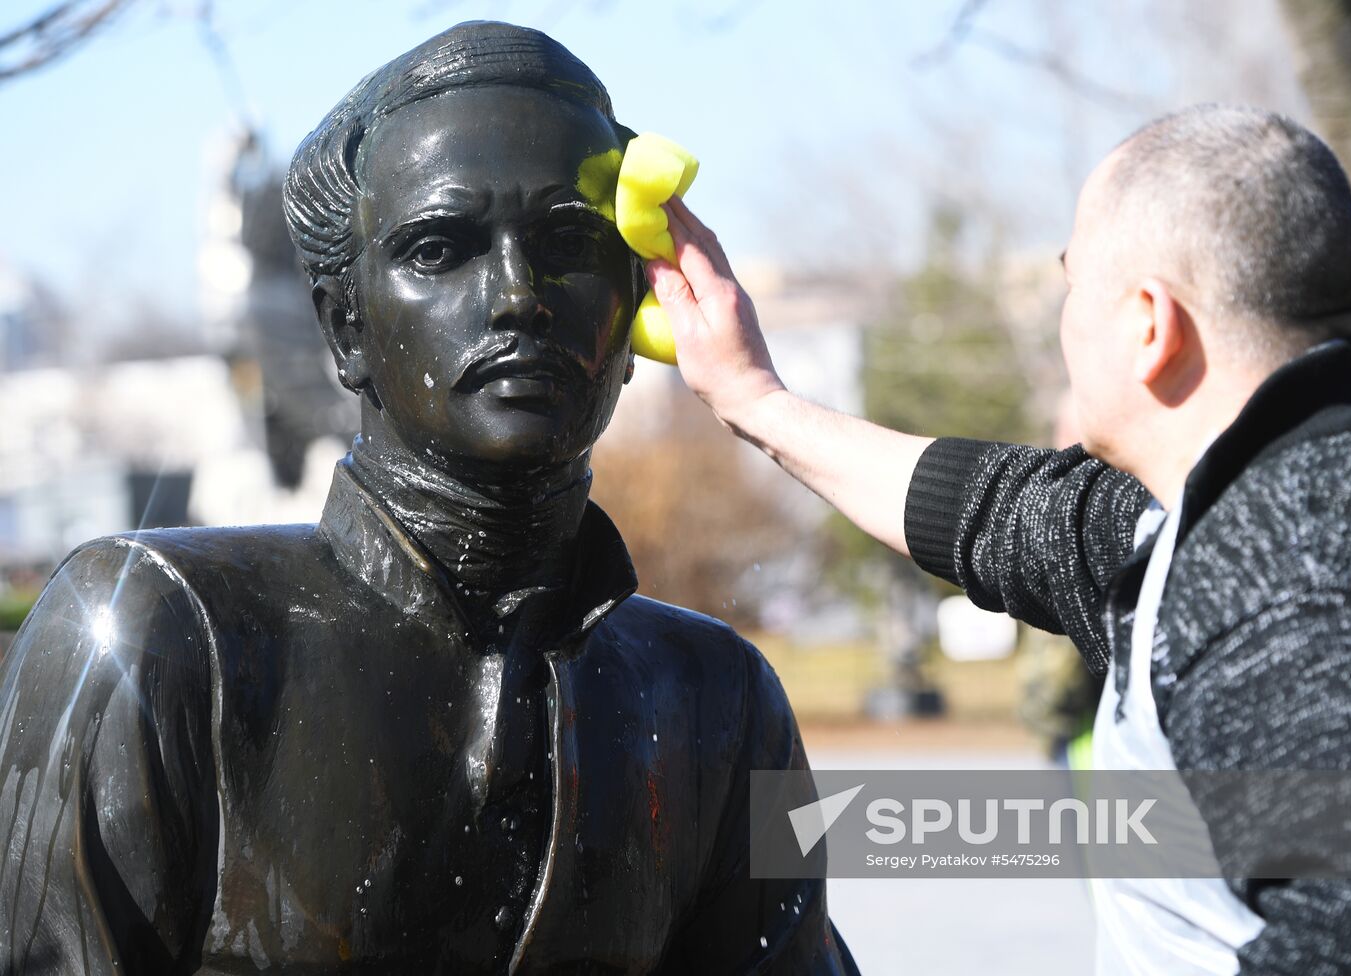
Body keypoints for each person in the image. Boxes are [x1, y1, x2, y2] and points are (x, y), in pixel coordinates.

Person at [0, 22, 858, 974]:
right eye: (441, 248)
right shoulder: (157, 635)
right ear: (345, 326)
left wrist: (767, 407)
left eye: (569, 242)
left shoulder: (720, 696)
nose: (519, 295)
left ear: (635, 305)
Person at [650, 104, 1351, 973]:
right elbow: (1002, 515)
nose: (1063, 323)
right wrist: (754, 400)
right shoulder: (1243, 505)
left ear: (1149, 327)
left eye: (1073, 286)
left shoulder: (1290, 583)